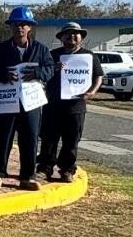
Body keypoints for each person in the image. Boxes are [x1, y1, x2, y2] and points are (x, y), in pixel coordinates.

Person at [0, 6, 54, 190]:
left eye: (24, 24)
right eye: (16, 24)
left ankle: (28, 177)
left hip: (31, 104)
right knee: (2, 138)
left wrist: (38, 72)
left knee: (30, 138)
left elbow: (50, 69)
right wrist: (3, 75)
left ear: (30, 27)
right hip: (7, 103)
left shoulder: (40, 49)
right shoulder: (0, 50)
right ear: (11, 27)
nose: (20, 28)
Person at [37, 22, 103, 183]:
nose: (71, 36)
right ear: (61, 38)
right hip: (53, 104)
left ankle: (67, 169)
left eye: (75, 33)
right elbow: (41, 74)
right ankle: (44, 167)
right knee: (48, 139)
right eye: (67, 34)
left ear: (81, 37)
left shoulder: (89, 56)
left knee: (72, 140)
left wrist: (92, 91)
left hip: (76, 106)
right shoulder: (52, 55)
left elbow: (98, 76)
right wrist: (54, 69)